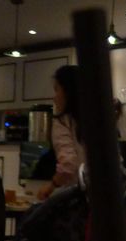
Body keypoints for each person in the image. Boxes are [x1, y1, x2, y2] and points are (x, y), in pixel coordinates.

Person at [37, 65, 85, 201]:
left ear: (68, 92)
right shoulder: (98, 120)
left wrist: (51, 186)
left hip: (79, 196)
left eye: (57, 90)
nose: (54, 98)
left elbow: (69, 165)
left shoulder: (62, 122)